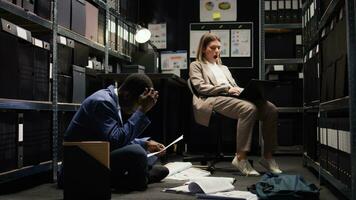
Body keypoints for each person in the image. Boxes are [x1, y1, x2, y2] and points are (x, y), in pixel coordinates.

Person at [189, 33, 282, 176]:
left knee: (271, 109)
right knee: (248, 108)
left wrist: (242, 91)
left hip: (232, 97)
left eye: (219, 48)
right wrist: (226, 89)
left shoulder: (224, 68)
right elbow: (201, 88)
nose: (217, 51)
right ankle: (240, 158)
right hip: (212, 98)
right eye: (212, 48)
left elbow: (233, 86)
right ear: (203, 49)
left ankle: (268, 157)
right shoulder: (196, 65)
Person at [62, 73, 169, 191]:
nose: (136, 110)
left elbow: (114, 135)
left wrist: (146, 144)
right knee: (137, 153)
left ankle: (134, 176)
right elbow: (115, 140)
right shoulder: (102, 102)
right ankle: (137, 179)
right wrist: (142, 111)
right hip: (79, 165)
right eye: (138, 104)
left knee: (148, 156)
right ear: (127, 95)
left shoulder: (113, 101)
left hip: (97, 155)